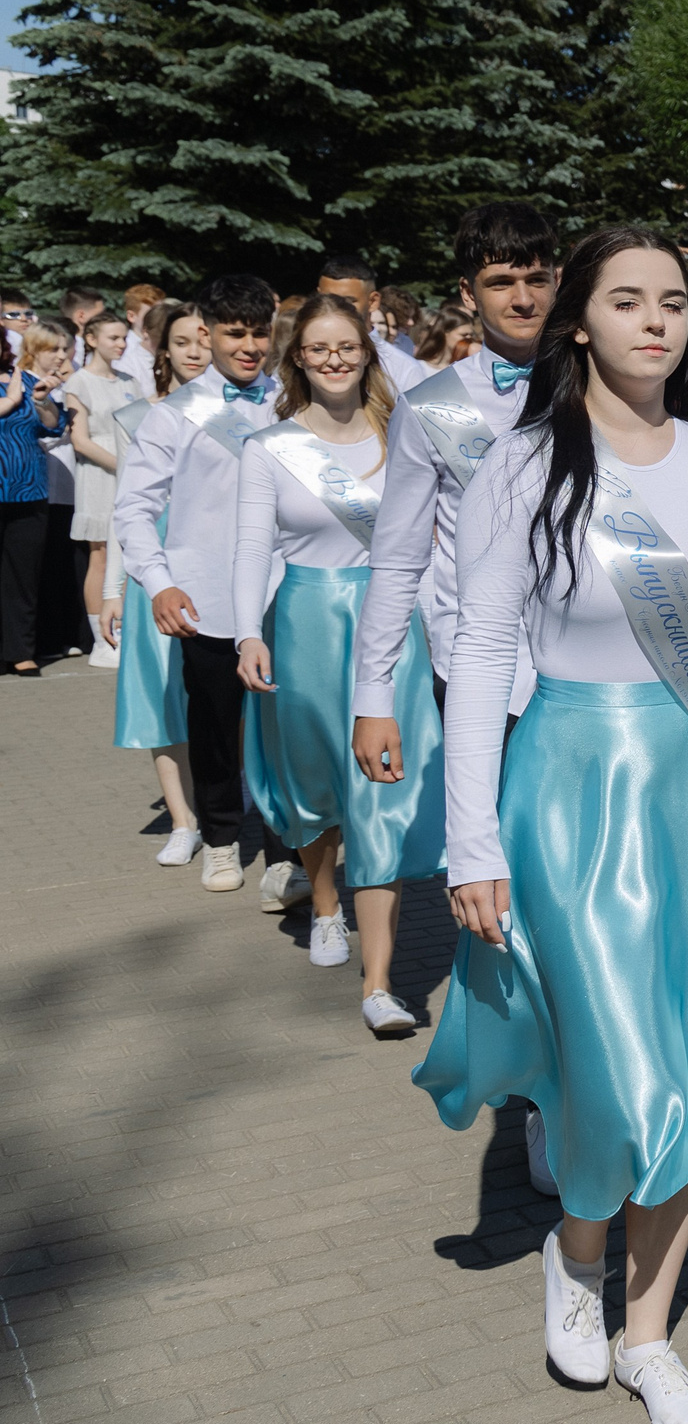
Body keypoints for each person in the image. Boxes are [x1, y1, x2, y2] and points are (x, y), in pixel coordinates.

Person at [413, 225, 688, 1424]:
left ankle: (647, 1330)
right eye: (626, 300)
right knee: (613, 1070)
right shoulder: (520, 467)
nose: (654, 320)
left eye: (672, 300)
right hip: (567, 795)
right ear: (579, 322)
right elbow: (485, 650)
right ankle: (575, 1250)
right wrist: (473, 845)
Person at [233, 295, 445, 1032]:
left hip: (389, 628)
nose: (333, 358)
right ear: (298, 357)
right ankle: (325, 902)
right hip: (302, 625)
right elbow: (252, 548)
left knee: (381, 794)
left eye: (346, 346)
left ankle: (381, 984)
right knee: (317, 785)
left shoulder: (403, 434)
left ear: (367, 352)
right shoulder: (270, 447)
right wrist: (245, 635)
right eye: (318, 347)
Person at [351, 201, 559, 787]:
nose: (523, 299)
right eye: (501, 283)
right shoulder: (430, 407)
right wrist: (374, 696)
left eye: (536, 279)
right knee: (487, 852)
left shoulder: (606, 388)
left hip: (596, 662)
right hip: (481, 667)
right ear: (468, 294)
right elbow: (396, 559)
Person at [113, 274, 294, 894]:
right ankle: (220, 839)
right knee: (217, 726)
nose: (249, 345)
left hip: (285, 594)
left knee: (284, 731)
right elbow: (133, 508)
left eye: (259, 332)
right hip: (206, 595)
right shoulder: (173, 415)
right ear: (209, 332)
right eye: (234, 332)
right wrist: (158, 583)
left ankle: (285, 852)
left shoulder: (294, 403)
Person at [103, 302, 208, 861]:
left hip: (220, 572)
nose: (196, 351)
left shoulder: (248, 413)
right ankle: (183, 819)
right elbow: (129, 512)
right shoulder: (138, 416)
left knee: (224, 698)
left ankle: (227, 805)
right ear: (162, 350)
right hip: (154, 576)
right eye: (184, 341)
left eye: (204, 339)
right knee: (161, 700)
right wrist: (112, 592)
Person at [63, 314, 142, 665]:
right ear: (92, 339)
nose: (121, 345)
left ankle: (124, 628)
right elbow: (80, 440)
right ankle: (103, 639)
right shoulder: (79, 382)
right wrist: (122, 464)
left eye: (124, 338)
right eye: (113, 338)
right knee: (101, 553)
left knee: (127, 550)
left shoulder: (130, 381)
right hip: (99, 473)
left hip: (130, 471)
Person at [0, 324, 72, 677]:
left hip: (27, 490)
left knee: (22, 576)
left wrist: (42, 400)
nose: (60, 356)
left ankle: (20, 651)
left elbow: (54, 427)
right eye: (51, 348)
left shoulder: (28, 382)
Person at [316, 255, 427, 390]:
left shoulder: (402, 369)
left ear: (373, 302)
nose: (336, 308)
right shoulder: (301, 361)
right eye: (328, 299)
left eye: (349, 301)